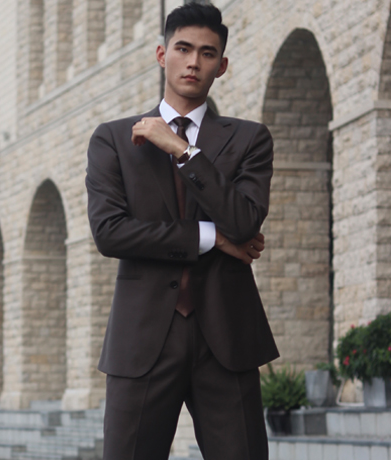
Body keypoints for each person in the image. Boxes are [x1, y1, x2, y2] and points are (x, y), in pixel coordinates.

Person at [85, 3, 280, 460]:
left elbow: (244, 221)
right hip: (142, 339)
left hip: (227, 338)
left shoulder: (250, 139)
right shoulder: (113, 139)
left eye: (207, 53)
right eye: (183, 49)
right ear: (162, 54)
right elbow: (110, 233)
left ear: (222, 66)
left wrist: (180, 149)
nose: (194, 62)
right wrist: (214, 239)